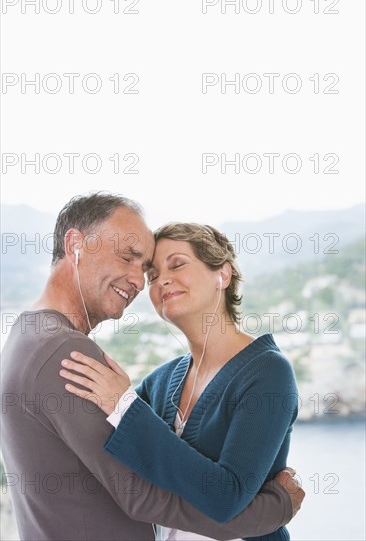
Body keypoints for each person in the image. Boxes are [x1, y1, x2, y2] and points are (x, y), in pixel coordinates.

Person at [1, 193, 303, 541]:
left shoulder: (265, 372)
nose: (145, 281)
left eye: (174, 265)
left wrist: (125, 405)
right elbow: (143, 492)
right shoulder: (143, 376)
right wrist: (278, 507)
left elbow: (220, 492)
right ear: (75, 245)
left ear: (222, 274)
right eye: (142, 265)